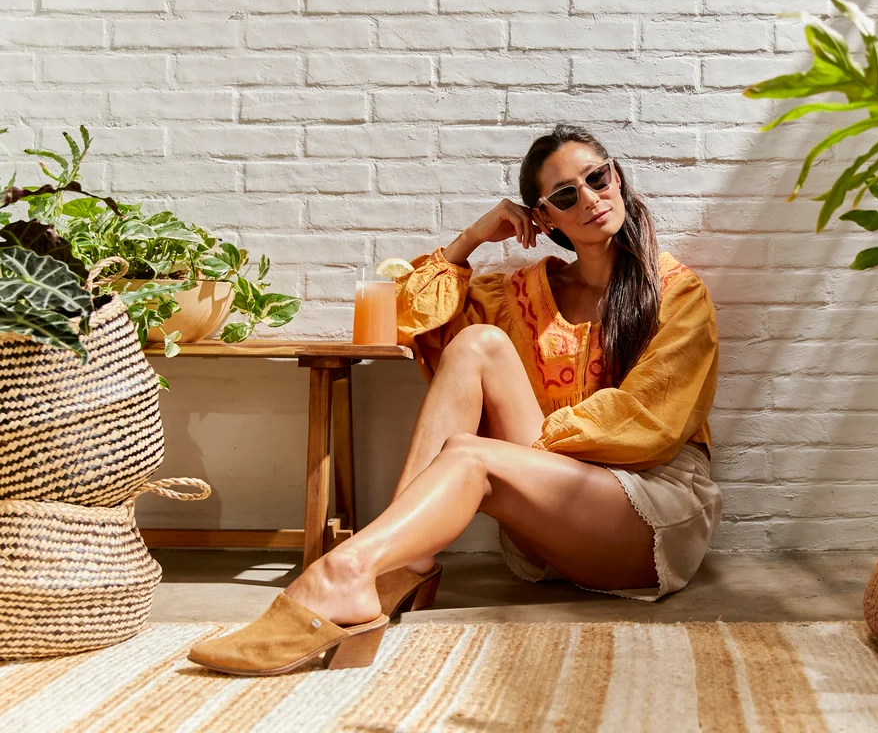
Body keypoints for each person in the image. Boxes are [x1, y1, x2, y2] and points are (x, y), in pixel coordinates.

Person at [187, 124, 721, 676]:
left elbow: (649, 425)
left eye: (597, 178)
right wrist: (470, 240)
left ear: (618, 178)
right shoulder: (520, 297)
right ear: (546, 218)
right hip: (552, 519)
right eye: (565, 195)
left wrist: (518, 452)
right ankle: (403, 565)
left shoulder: (676, 291)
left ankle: (343, 574)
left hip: (648, 518)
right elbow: (403, 320)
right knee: (475, 343)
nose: (588, 198)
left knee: (469, 453)